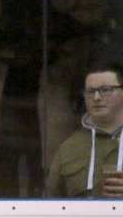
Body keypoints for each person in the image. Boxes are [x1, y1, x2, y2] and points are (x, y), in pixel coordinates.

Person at [0, 0, 107, 197]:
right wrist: (13, 33)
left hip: (56, 68)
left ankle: (51, 209)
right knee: (4, 155)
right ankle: (2, 208)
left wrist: (53, 31)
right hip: (6, 67)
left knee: (52, 155)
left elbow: (94, 11)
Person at [46, 61, 123, 197]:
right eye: (90, 91)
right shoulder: (70, 147)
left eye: (106, 90)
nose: (96, 97)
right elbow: (49, 206)